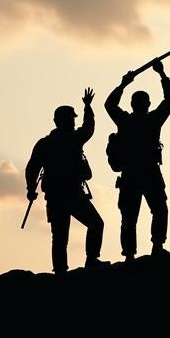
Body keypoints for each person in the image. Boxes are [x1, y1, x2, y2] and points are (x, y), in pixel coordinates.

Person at [25, 89, 106, 274]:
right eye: (71, 118)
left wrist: (30, 189)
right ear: (65, 120)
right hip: (72, 193)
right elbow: (89, 128)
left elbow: (32, 168)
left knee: (59, 237)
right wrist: (87, 107)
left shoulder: (44, 143)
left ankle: (60, 271)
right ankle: (91, 260)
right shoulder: (74, 138)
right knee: (95, 224)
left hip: (55, 196)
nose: (73, 121)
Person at [104, 59, 170, 261]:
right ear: (148, 104)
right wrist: (162, 74)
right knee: (159, 209)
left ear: (132, 104)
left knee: (129, 216)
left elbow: (109, 104)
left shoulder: (124, 121)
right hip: (149, 172)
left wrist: (124, 84)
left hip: (131, 174)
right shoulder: (154, 120)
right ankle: (156, 246)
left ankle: (129, 254)